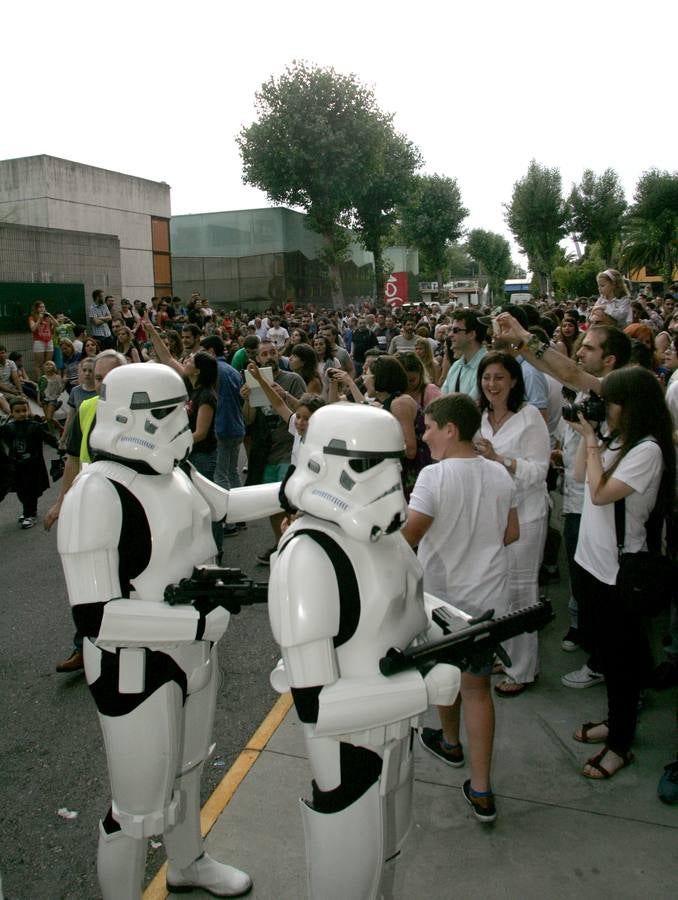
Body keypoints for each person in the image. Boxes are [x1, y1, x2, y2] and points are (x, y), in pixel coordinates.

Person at [56, 363, 283, 899]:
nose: (180, 422)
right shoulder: (96, 493)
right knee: (135, 809)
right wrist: (195, 620)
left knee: (188, 771)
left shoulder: (174, 468)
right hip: (135, 664)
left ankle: (187, 861)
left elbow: (225, 505)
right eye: (164, 412)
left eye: (181, 407)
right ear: (123, 415)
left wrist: (297, 489)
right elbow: (95, 616)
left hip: (195, 649)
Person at [267, 403, 459, 897]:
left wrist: (449, 625)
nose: (387, 478)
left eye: (393, 463)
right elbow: (313, 704)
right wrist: (425, 687)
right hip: (348, 750)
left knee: (389, 856)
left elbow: (408, 601)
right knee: (349, 877)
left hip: (399, 735)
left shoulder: (385, 538)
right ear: (322, 463)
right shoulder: (307, 555)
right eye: (368, 465)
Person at [403, 394, 519, 822]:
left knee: (445, 677)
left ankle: (450, 743)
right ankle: (482, 788)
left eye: (429, 426)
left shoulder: (433, 477)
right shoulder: (500, 475)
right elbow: (511, 533)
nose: (424, 434)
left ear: (450, 429)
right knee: (476, 687)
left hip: (442, 600)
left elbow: (409, 537)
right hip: (488, 598)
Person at [567, 366, 674, 779]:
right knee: (609, 655)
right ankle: (616, 722)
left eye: (609, 401)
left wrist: (593, 439)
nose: (604, 407)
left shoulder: (647, 450)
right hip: (592, 562)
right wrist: (588, 434)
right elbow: (580, 476)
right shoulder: (618, 439)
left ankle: (621, 745)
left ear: (630, 406)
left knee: (623, 661)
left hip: (620, 571)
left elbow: (600, 492)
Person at [475, 352, 550, 696]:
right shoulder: (480, 417)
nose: (492, 385)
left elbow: (539, 472)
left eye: (499, 378)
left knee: (522, 592)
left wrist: (499, 459)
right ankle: (505, 655)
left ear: (514, 381)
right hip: (491, 517)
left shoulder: (530, 416)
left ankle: (524, 670)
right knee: (498, 589)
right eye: (487, 377)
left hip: (527, 515)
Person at [241, 340, 306, 564]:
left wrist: (285, 394)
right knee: (272, 502)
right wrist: (248, 399)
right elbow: (248, 419)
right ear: (258, 359)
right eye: (264, 354)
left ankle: (294, 544)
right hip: (264, 450)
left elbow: (305, 412)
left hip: (287, 448)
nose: (269, 356)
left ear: (279, 355)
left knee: (289, 500)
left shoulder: (292, 379)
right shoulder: (251, 380)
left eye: (272, 352)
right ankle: (280, 543)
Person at [363, 355, 424, 502]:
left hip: (412, 475)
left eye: (368, 374)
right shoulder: (387, 402)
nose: (364, 379)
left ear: (380, 378)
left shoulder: (400, 404)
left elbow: (410, 450)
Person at [0, 395, 60, 529]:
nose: (22, 414)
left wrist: (61, 448)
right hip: (16, 465)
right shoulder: (8, 428)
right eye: (17, 411)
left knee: (30, 490)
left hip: (32, 465)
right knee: (21, 490)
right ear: (11, 412)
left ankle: (29, 514)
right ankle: (28, 511)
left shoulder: (35, 427)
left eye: (24, 410)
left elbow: (49, 438)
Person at [440, 311, 487, 401]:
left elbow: (470, 406)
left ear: (472, 334)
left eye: (456, 330)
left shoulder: (488, 366)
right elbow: (442, 402)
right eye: (451, 330)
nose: (450, 335)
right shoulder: (456, 366)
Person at [28, 301, 56, 379]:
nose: (42, 309)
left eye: (43, 307)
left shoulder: (47, 317)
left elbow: (57, 325)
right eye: (40, 307)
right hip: (39, 341)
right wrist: (39, 319)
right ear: (36, 308)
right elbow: (33, 329)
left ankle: (48, 379)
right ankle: (39, 382)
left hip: (49, 340)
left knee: (48, 363)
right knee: (38, 364)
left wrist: (51, 316)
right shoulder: (32, 317)